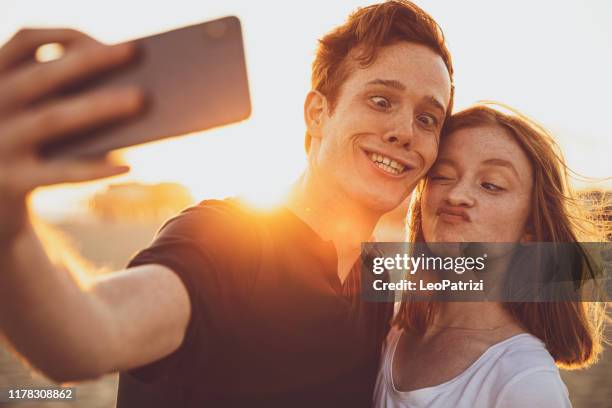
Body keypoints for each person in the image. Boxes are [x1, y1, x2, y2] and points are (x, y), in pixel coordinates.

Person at [0, 1, 453, 407]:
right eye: (380, 100)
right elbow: (85, 337)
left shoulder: (374, 278)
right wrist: (8, 222)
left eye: (427, 118)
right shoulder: (227, 241)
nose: (404, 132)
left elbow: (502, 281)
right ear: (318, 113)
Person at [373, 104, 607, 407]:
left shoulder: (526, 383)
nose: (456, 195)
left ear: (531, 229)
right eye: (443, 175)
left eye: (491, 184)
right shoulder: (386, 329)